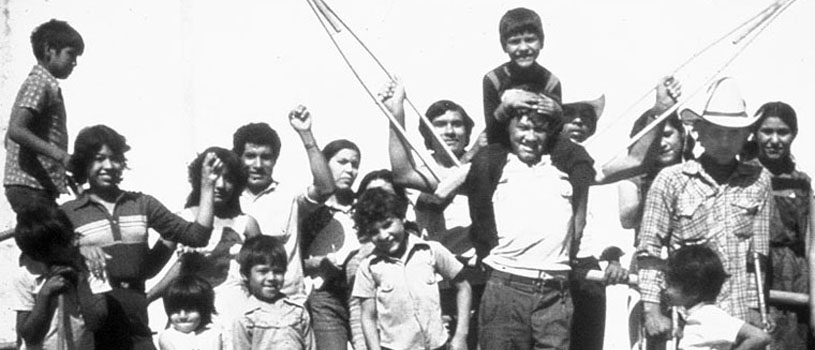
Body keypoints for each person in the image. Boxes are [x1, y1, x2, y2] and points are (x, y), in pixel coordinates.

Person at [636, 78, 774, 343]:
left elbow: (759, 254)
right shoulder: (671, 179)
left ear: (746, 135)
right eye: (716, 131)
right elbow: (649, 251)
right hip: (683, 319)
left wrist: (757, 308)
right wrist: (652, 311)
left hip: (737, 317)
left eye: (733, 132)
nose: (725, 140)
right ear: (698, 131)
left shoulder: (759, 179)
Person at [60, 125, 218, 350]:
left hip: (136, 309)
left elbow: (197, 236)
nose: (108, 166)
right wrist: (79, 249)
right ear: (85, 163)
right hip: (92, 313)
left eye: (115, 159)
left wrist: (207, 186)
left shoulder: (142, 204)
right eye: (99, 159)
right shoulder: (68, 212)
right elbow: (48, 256)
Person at [463, 82, 593, 349]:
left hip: (555, 292)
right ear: (508, 128)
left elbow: (633, 161)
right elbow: (409, 173)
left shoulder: (567, 164)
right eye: (523, 127)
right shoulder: (493, 162)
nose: (531, 137)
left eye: (540, 129)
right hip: (506, 287)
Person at [381, 80, 485, 349]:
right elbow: (431, 197)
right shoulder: (424, 172)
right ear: (427, 134)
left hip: (478, 278)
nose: (450, 130)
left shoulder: (485, 167)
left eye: (457, 123)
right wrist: (397, 110)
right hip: (436, 282)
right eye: (440, 124)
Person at [146, 146, 262, 344]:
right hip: (190, 316)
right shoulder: (181, 220)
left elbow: (260, 273)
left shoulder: (246, 223)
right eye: (215, 176)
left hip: (235, 312)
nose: (221, 185)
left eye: (230, 179)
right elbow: (157, 265)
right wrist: (147, 297)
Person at [234, 105, 336, 303]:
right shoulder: (227, 200)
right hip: (241, 308)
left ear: (275, 160)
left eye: (265, 157)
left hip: (289, 306)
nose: (257, 165)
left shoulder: (288, 195)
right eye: (250, 156)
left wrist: (306, 134)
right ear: (239, 158)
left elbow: (325, 188)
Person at [352, 188, 472, 350]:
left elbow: (463, 287)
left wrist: (460, 335)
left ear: (402, 218)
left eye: (388, 225)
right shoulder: (368, 268)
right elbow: (368, 317)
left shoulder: (431, 251)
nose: (383, 236)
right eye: (374, 232)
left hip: (438, 346)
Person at [747, 102, 813, 349]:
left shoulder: (801, 183)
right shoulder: (743, 174)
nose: (774, 140)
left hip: (794, 278)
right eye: (767, 131)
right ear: (755, 133)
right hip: (754, 271)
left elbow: (809, 240)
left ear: (793, 134)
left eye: (782, 132)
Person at [4, 19, 84, 214]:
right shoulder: (41, 83)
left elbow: (9, 140)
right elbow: (16, 130)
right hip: (30, 187)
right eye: (70, 54)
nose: (74, 63)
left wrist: (53, 170)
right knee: (53, 240)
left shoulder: (40, 83)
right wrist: (61, 156)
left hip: (31, 185)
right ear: (49, 50)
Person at [11, 207, 107, 350]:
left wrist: (80, 280)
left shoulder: (92, 265)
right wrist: (45, 294)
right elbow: (29, 335)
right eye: (63, 245)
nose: (74, 244)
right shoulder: (26, 275)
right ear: (40, 255)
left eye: (71, 239)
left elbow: (96, 322)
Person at [300, 139, 361, 350]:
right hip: (326, 296)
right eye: (342, 162)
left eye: (354, 164)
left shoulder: (364, 207)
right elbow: (294, 260)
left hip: (363, 294)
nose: (349, 170)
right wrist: (319, 264)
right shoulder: (311, 211)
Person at [664, 245, 771, 350]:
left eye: (670, 284)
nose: (665, 289)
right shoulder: (696, 316)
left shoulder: (709, 316)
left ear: (693, 292)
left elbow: (760, 337)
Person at [483, 7, 562, 147]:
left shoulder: (551, 82)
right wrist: (505, 107)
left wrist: (557, 112)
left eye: (530, 40)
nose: (524, 48)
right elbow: (491, 132)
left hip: (539, 146)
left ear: (542, 42)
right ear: (504, 46)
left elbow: (556, 132)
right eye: (515, 41)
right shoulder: (493, 79)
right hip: (503, 144)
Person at [232, 235, 315, 350]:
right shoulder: (246, 317)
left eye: (278, 271)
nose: (271, 277)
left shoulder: (297, 311)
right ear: (245, 274)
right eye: (263, 271)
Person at [158, 275, 222, 350]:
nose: (182, 316)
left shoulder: (214, 334)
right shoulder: (168, 337)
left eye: (190, 309)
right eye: (175, 310)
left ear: (204, 309)